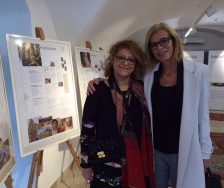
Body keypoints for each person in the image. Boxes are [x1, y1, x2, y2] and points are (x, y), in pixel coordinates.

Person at [87, 22, 213, 188]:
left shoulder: (199, 72)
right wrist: (99, 81)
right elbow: (123, 79)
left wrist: (205, 153)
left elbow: (203, 117)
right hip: (155, 151)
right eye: (153, 45)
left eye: (163, 41)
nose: (159, 48)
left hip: (184, 150)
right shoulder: (148, 74)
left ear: (173, 41)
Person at [80, 40, 154, 188]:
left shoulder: (142, 90)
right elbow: (87, 131)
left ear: (135, 63)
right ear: (112, 59)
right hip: (106, 165)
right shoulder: (98, 90)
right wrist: (85, 165)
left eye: (131, 59)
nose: (125, 63)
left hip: (137, 161)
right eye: (121, 57)